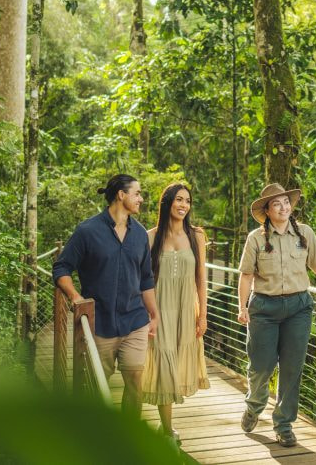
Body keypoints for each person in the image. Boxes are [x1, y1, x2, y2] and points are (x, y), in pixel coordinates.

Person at [236, 182, 316, 448]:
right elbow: (246, 276)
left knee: (292, 368)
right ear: (267, 210)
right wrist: (242, 307)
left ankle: (283, 424)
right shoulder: (256, 238)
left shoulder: (304, 233)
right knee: (261, 366)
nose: (284, 207)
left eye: (287, 202)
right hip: (264, 309)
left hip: (298, 308)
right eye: (277, 203)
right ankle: (254, 406)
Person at [53, 174, 159, 418]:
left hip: (135, 321)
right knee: (96, 387)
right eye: (137, 193)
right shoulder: (87, 231)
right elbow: (62, 267)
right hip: (98, 324)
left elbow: (146, 278)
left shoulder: (140, 234)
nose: (141, 199)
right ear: (121, 195)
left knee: (135, 382)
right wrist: (75, 296)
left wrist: (154, 313)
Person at [140, 183, 211, 445]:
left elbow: (202, 279)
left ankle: (166, 428)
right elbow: (142, 280)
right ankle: (168, 431)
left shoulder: (197, 236)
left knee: (177, 362)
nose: (183, 205)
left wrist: (203, 315)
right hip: (158, 312)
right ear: (167, 202)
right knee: (163, 365)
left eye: (188, 201)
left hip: (185, 310)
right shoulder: (149, 237)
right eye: (178, 200)